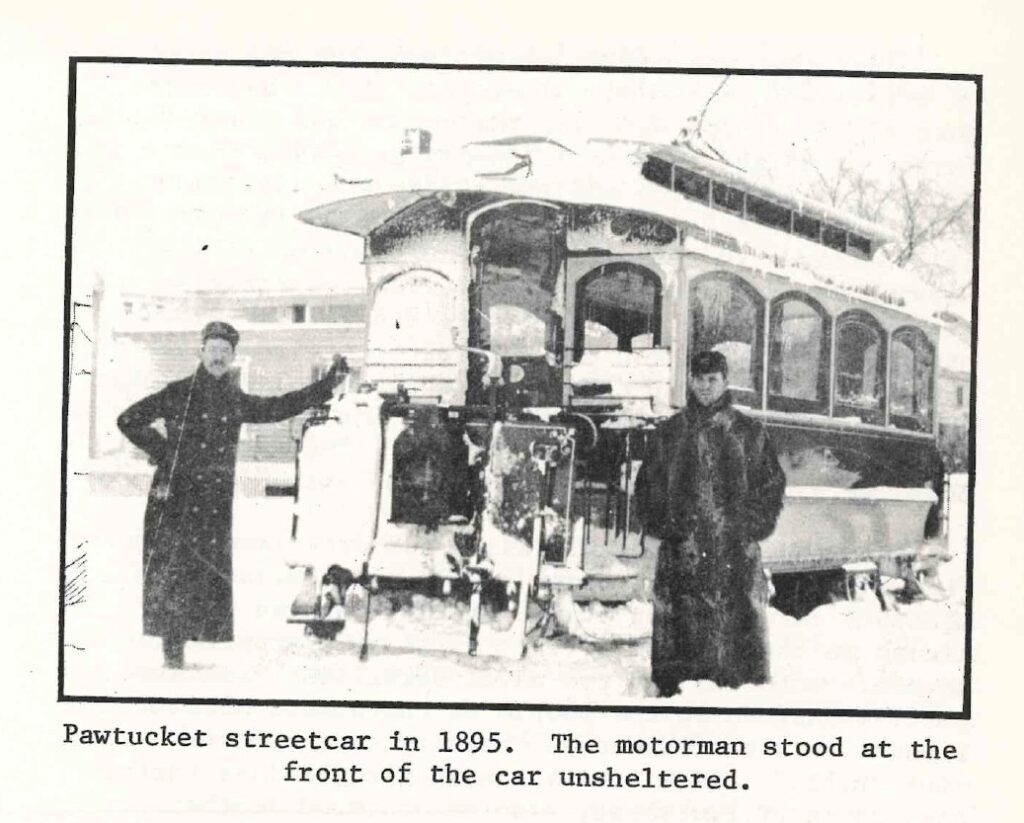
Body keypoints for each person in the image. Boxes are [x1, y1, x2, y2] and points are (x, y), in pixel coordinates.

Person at [116, 321, 349, 669]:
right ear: (201, 352)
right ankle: (173, 652)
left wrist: (326, 386)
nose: (219, 357)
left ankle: (185, 645)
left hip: (211, 501)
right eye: (213, 350)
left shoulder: (232, 398)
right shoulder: (177, 392)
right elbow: (128, 419)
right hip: (175, 497)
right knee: (175, 572)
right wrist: (165, 453)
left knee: (202, 572)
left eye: (225, 352)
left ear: (232, 356)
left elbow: (278, 407)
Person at [635, 350, 786, 694]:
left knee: (737, 642)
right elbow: (647, 485)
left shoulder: (750, 432)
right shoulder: (670, 433)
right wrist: (667, 524)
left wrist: (750, 526)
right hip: (682, 550)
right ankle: (677, 684)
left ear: (725, 382)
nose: (705, 387)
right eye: (699, 379)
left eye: (712, 380)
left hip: (733, 549)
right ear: (690, 380)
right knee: (681, 625)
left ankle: (737, 686)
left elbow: (772, 485)